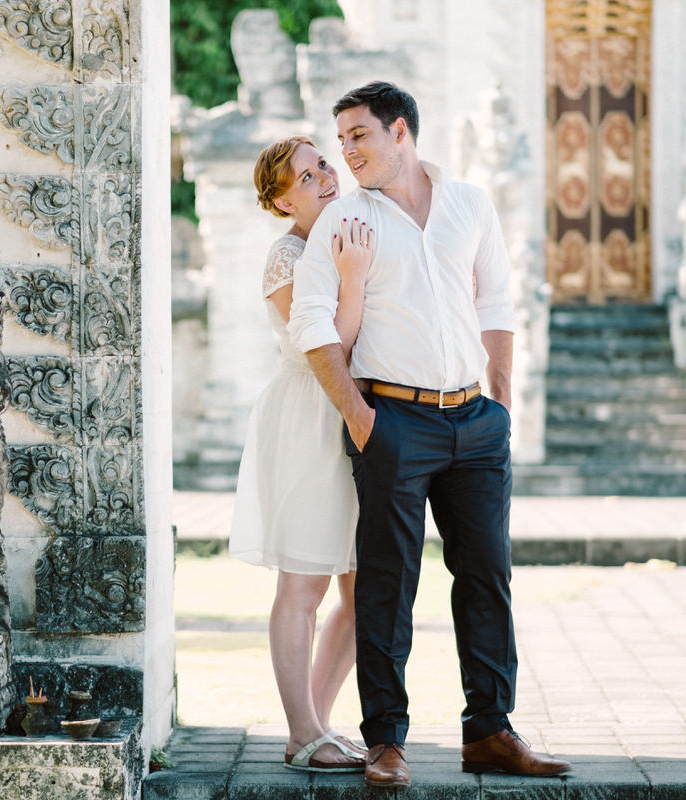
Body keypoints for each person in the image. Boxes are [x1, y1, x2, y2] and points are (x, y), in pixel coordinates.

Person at [288, 82, 572, 787]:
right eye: (341, 139)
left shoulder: (470, 203)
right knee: (387, 584)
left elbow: (498, 300)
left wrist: (499, 405)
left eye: (359, 136)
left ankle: (491, 731)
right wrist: (362, 419)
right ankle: (385, 740)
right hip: (394, 420)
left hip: (475, 422)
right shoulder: (344, 221)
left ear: (401, 133)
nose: (346, 152)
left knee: (487, 575)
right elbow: (311, 325)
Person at [229, 135, 375, 773]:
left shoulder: (346, 235)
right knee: (306, 582)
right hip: (310, 419)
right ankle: (300, 732)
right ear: (281, 198)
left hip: (360, 418)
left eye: (325, 167)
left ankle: (314, 721)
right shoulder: (287, 255)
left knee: (364, 585)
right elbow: (324, 347)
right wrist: (354, 280)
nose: (325, 178)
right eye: (307, 176)